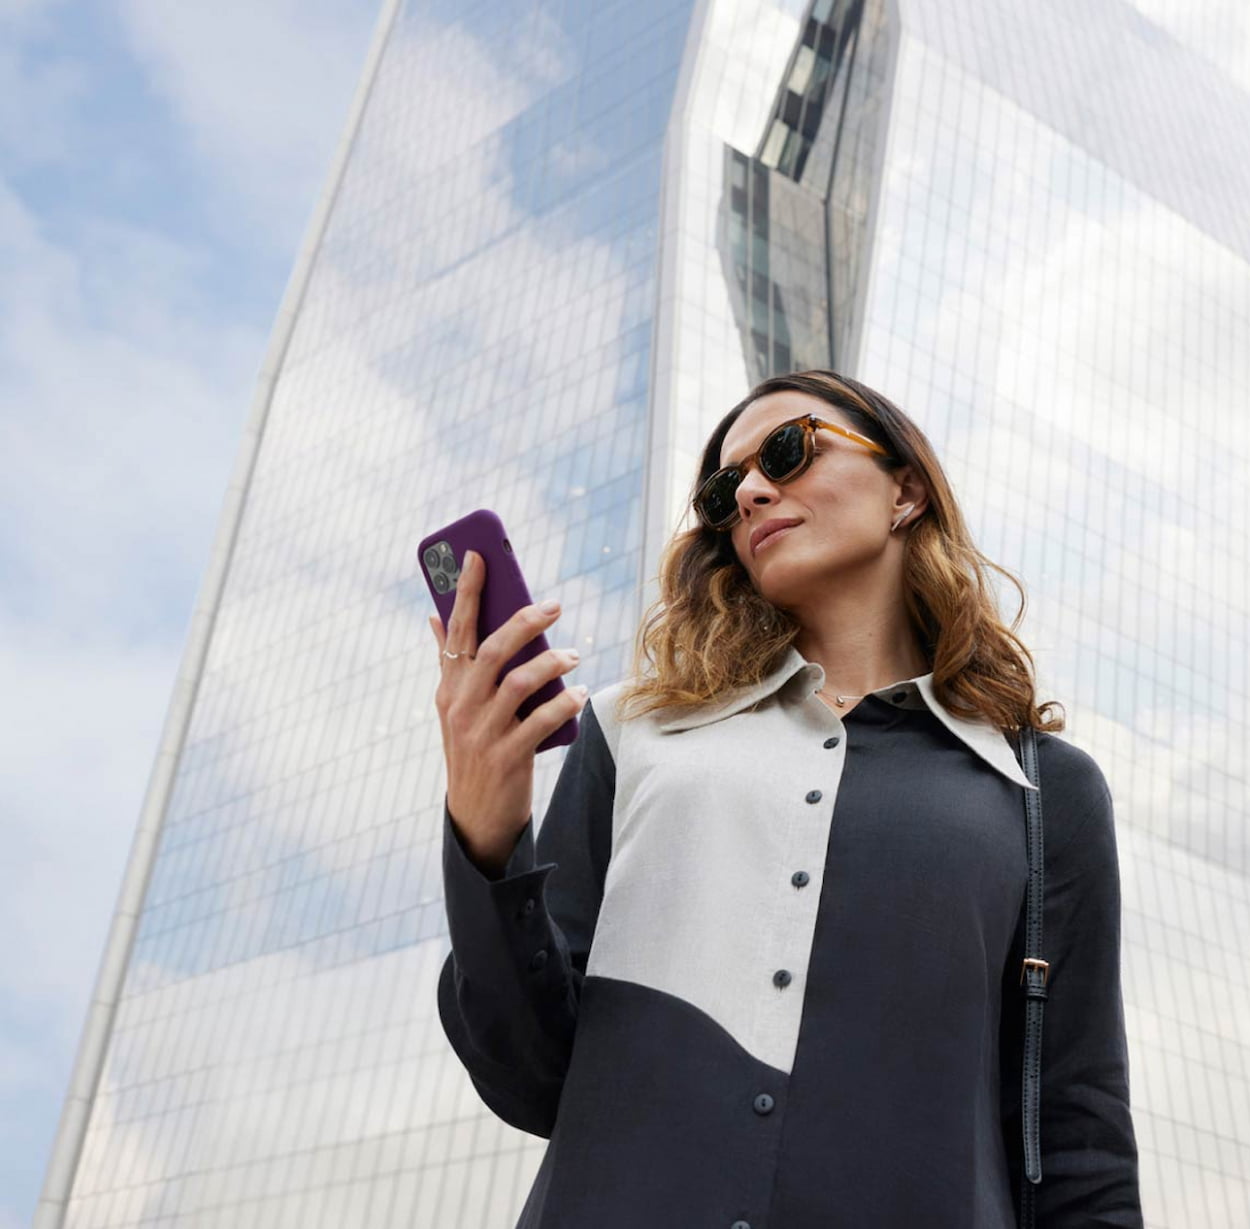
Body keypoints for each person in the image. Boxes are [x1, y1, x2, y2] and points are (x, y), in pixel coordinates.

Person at [430, 369, 1142, 1227]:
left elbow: (1080, 1136)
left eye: (787, 450)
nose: (754, 492)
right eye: (725, 491)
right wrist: (486, 837)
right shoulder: (631, 732)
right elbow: (529, 1075)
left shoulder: (1041, 788)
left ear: (905, 489)